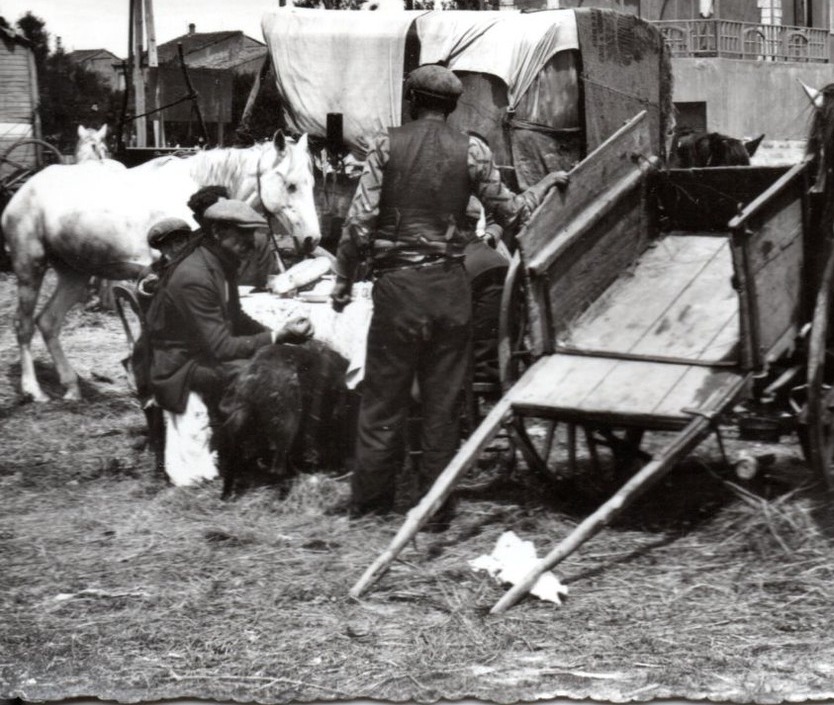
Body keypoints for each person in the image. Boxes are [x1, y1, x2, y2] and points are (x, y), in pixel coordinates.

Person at [329, 64, 566, 520]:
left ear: (412, 100)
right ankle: (435, 509)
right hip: (451, 288)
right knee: (443, 402)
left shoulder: (385, 144)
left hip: (399, 290)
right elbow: (512, 211)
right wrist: (542, 185)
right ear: (453, 106)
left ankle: (371, 505)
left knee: (384, 398)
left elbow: (359, 222)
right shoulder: (473, 150)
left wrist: (342, 279)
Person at [146, 199, 315, 419]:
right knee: (270, 376)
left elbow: (237, 317)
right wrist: (277, 337)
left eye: (252, 233)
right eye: (243, 233)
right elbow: (222, 348)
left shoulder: (220, 263)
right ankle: (239, 444)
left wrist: (279, 336)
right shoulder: (194, 275)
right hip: (181, 367)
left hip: (204, 355)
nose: (251, 242)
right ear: (217, 232)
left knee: (294, 360)